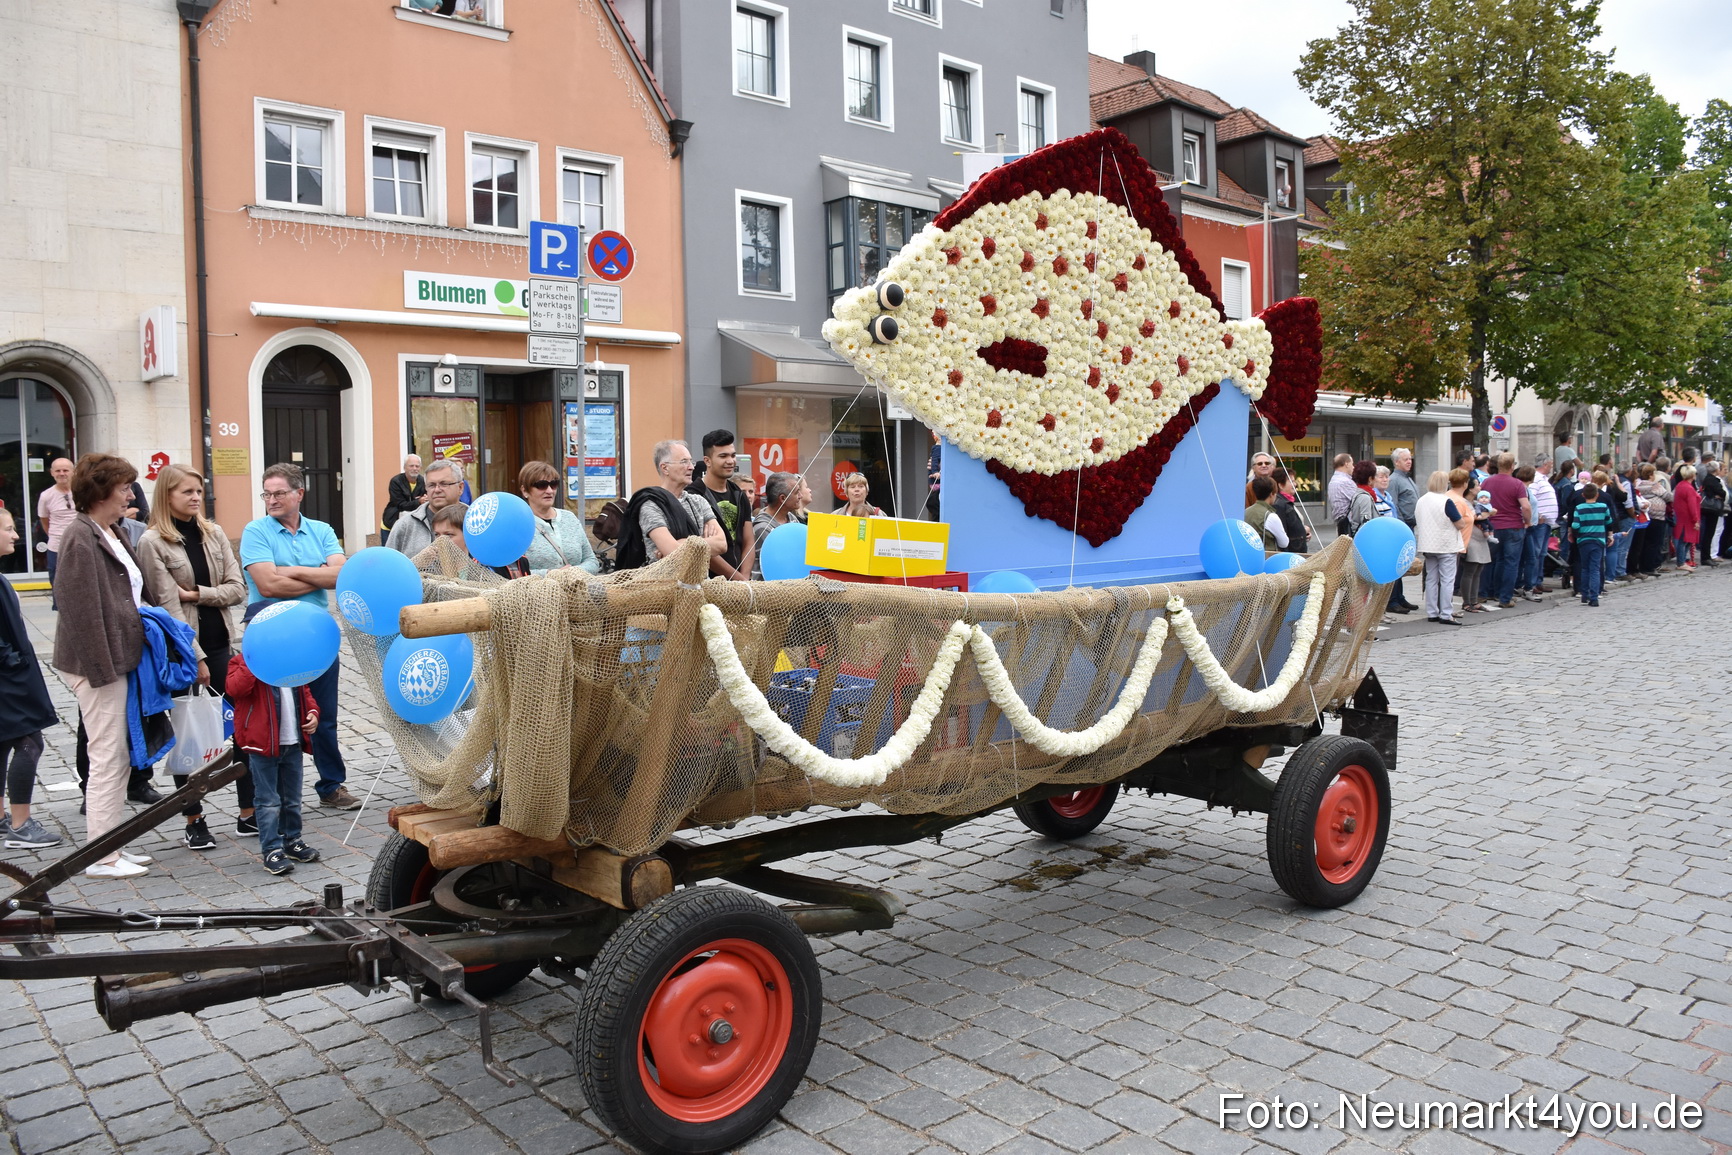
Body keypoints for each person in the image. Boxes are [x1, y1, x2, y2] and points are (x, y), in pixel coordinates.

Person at [52, 454, 156, 878]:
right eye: (123, 488)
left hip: (118, 657)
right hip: (98, 662)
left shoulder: (109, 530)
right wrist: (101, 669)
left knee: (118, 754)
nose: (131, 495)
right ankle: (101, 855)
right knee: (106, 755)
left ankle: (112, 842)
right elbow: (79, 609)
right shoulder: (79, 536)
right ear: (100, 492)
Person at [137, 465, 249, 848]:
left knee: (239, 730)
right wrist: (196, 659)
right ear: (166, 496)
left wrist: (197, 593)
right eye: (186, 491)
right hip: (184, 653)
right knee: (190, 735)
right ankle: (193, 818)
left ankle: (247, 813)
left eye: (199, 490)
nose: (196, 497)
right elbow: (168, 608)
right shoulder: (153, 542)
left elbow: (237, 589)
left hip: (224, 644)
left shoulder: (213, 532)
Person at [240, 463, 357, 810]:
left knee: (324, 713)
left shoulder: (321, 530)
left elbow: (341, 576)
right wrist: (316, 574)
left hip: (316, 634)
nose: (271, 500)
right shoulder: (255, 531)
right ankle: (275, 794)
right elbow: (267, 584)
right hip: (271, 635)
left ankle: (332, 785)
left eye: (278, 493)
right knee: (273, 715)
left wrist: (289, 570)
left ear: (299, 494)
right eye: (267, 494)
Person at [227, 639, 321, 876]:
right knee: (268, 800)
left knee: (292, 797)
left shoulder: (290, 663)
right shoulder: (240, 662)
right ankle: (271, 849)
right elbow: (236, 689)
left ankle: (292, 840)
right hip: (261, 745)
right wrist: (253, 662)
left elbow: (305, 692)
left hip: (292, 741)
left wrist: (312, 713)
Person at [0, 506, 62, 849]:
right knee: (29, 742)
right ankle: (21, 824)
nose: (16, 535)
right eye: (9, 529)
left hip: (10, 675)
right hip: (9, 680)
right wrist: (13, 664)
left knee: (3, 743)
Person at [614, 440, 726, 571]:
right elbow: (673, 553)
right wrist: (702, 542)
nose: (691, 467)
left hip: (699, 586)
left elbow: (722, 544)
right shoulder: (651, 505)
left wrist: (682, 543)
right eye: (684, 461)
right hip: (665, 587)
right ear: (665, 468)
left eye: (691, 461)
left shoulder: (698, 501)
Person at [518, 460, 600, 575]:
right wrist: (550, 574)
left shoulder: (569, 518)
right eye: (541, 485)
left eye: (553, 484)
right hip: (537, 591)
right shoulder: (518, 524)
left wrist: (573, 572)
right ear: (525, 490)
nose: (549, 491)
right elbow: (514, 572)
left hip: (575, 590)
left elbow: (592, 561)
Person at [693, 430, 756, 581]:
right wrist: (737, 579)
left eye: (733, 455)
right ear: (707, 461)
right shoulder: (693, 496)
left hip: (741, 585)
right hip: (709, 584)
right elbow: (702, 549)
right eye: (723, 456)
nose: (730, 461)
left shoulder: (739, 494)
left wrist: (744, 579)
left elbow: (748, 542)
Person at [1414, 469, 1466, 625]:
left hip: (1428, 544)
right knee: (1447, 580)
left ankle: (1432, 612)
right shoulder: (1446, 501)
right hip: (1445, 544)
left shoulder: (1421, 500)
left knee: (1431, 579)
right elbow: (1459, 523)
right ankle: (1446, 613)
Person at [1481, 452, 1531, 609]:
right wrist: (1527, 521)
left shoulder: (1487, 482)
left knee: (1491, 561)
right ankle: (1505, 597)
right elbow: (1526, 506)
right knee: (1511, 562)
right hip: (1513, 526)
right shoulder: (1517, 484)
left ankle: (1485, 593)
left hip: (1493, 526)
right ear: (1512, 466)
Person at [386, 458, 463, 557]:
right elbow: (390, 566)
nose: (437, 490)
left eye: (444, 484)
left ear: (460, 487)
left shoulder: (475, 523)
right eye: (431, 485)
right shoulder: (405, 525)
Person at [752, 471, 812, 578]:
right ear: (783, 498)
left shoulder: (792, 518)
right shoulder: (763, 528)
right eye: (797, 492)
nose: (800, 496)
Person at [35, 457, 76, 609]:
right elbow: (44, 520)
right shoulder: (46, 496)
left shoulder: (82, 492)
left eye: (65, 470)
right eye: (58, 470)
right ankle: (61, 609)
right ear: (52, 473)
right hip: (56, 546)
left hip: (79, 544)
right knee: (57, 579)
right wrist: (55, 535)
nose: (62, 473)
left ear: (73, 472)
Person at [1386, 448, 1420, 613]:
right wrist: (1400, 527)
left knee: (1404, 563)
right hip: (1402, 525)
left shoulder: (1407, 478)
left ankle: (1400, 597)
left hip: (1410, 524)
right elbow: (1394, 505)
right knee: (1397, 563)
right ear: (1396, 462)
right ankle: (1392, 600)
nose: (1409, 461)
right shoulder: (1394, 480)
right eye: (1405, 459)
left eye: (1410, 459)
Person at [1570, 482, 1613, 606]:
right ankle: (1594, 597)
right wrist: (1609, 535)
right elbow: (1608, 521)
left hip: (1583, 541)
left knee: (1585, 568)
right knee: (1595, 568)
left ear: (1583, 495)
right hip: (1598, 540)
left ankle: (1585, 594)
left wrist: (1576, 533)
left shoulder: (1579, 508)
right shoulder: (1603, 507)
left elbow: (1575, 525)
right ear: (1597, 495)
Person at [1522, 455, 1557, 598]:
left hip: (1546, 522)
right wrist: (1539, 515)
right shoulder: (1536, 478)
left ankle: (1538, 580)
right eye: (1550, 464)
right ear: (1544, 464)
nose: (1551, 467)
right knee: (1535, 553)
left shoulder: (1543, 479)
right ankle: (1532, 582)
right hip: (1539, 522)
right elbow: (1531, 498)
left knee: (1541, 553)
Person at [1458, 479, 1494, 613]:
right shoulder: (1464, 502)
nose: (1480, 487)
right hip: (1471, 538)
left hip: (1480, 539)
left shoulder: (1476, 502)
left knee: (1478, 570)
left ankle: (1474, 600)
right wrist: (1489, 512)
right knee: (1470, 570)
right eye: (1477, 485)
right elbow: (1475, 517)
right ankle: (1467, 602)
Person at [1244, 476, 1289, 553]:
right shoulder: (1270, 516)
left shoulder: (1245, 512)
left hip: (1248, 555)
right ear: (1271, 494)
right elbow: (1284, 543)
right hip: (1266, 557)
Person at [382, 454, 426, 532]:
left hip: (413, 525)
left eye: (417, 466)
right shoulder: (396, 481)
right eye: (411, 466)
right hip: (392, 524)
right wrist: (419, 501)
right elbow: (400, 504)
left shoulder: (423, 481)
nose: (414, 468)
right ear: (404, 467)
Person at [1270, 468, 1309, 553]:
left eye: (1294, 481)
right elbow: (1282, 533)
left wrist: (1303, 531)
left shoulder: (1288, 502)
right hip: (1292, 554)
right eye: (1291, 481)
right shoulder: (1279, 504)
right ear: (1280, 485)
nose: (1295, 484)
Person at [1672, 464, 1701, 570]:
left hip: (1682, 517)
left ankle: (1682, 561)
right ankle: (1681, 562)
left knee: (1684, 540)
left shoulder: (1680, 485)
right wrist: (1696, 520)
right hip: (1687, 518)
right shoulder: (1688, 488)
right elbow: (1692, 505)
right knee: (1684, 540)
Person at [1698, 460, 1725, 567]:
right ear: (1716, 469)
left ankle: (1707, 556)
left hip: (1709, 508)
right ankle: (1706, 557)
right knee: (1709, 533)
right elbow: (1721, 492)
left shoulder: (1707, 479)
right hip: (1711, 509)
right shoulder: (1713, 480)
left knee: (1708, 533)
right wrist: (1719, 495)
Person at [1326, 453, 1356, 537]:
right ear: (1346, 464)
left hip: (1340, 522)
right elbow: (1358, 500)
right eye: (1352, 464)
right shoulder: (1345, 482)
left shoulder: (1334, 480)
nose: (1353, 467)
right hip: (1348, 523)